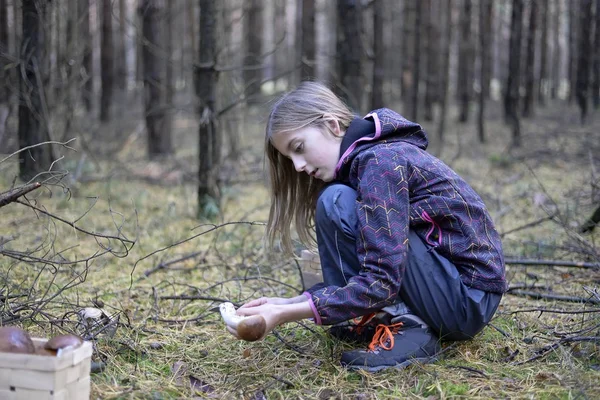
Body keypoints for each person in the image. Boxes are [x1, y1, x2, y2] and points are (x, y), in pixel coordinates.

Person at [227, 81, 507, 372]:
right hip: (451, 293)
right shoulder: (368, 160)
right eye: (290, 157)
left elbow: (381, 281)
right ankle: (379, 318)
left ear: (333, 125)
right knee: (336, 200)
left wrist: (284, 315)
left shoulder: (381, 162)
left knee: (336, 201)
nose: (297, 166)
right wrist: (281, 303)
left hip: (465, 300)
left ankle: (409, 329)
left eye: (299, 148)